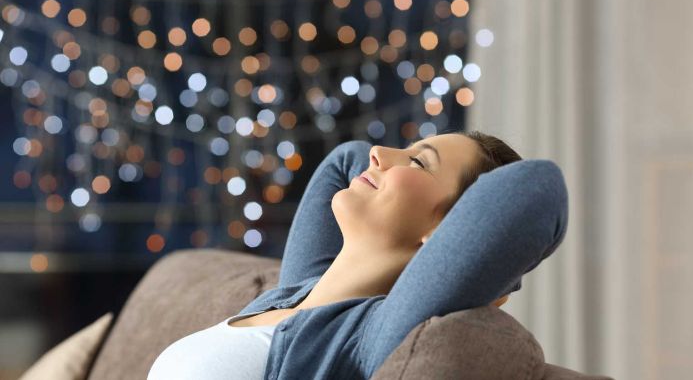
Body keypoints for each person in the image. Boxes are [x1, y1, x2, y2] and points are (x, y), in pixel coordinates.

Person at [148, 130, 569, 380]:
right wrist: (405, 172)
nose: (378, 154)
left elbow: (537, 188)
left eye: (419, 163)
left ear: (448, 230)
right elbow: (345, 158)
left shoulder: (363, 337)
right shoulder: (289, 295)